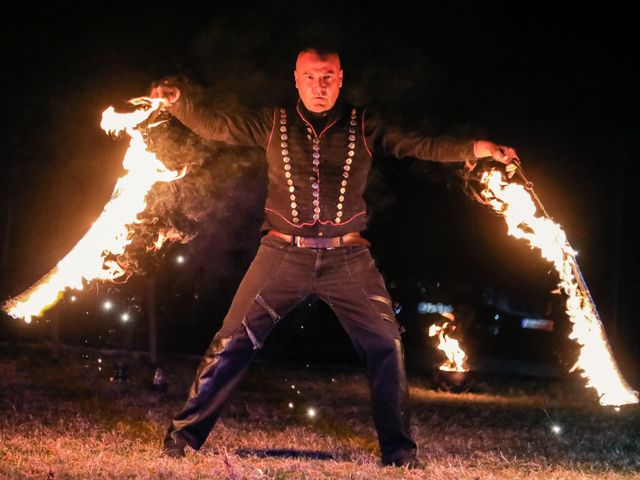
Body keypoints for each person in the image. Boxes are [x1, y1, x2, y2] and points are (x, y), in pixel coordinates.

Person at [151, 47, 518, 468]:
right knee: (231, 341)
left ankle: (399, 454)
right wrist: (179, 103)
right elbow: (216, 125)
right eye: (311, 77)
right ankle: (183, 438)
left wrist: (478, 147)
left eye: (327, 77)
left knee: (386, 344)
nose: (319, 85)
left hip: (349, 260)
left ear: (340, 79)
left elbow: (422, 143)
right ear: (296, 79)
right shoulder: (273, 123)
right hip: (281, 256)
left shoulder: (364, 126)